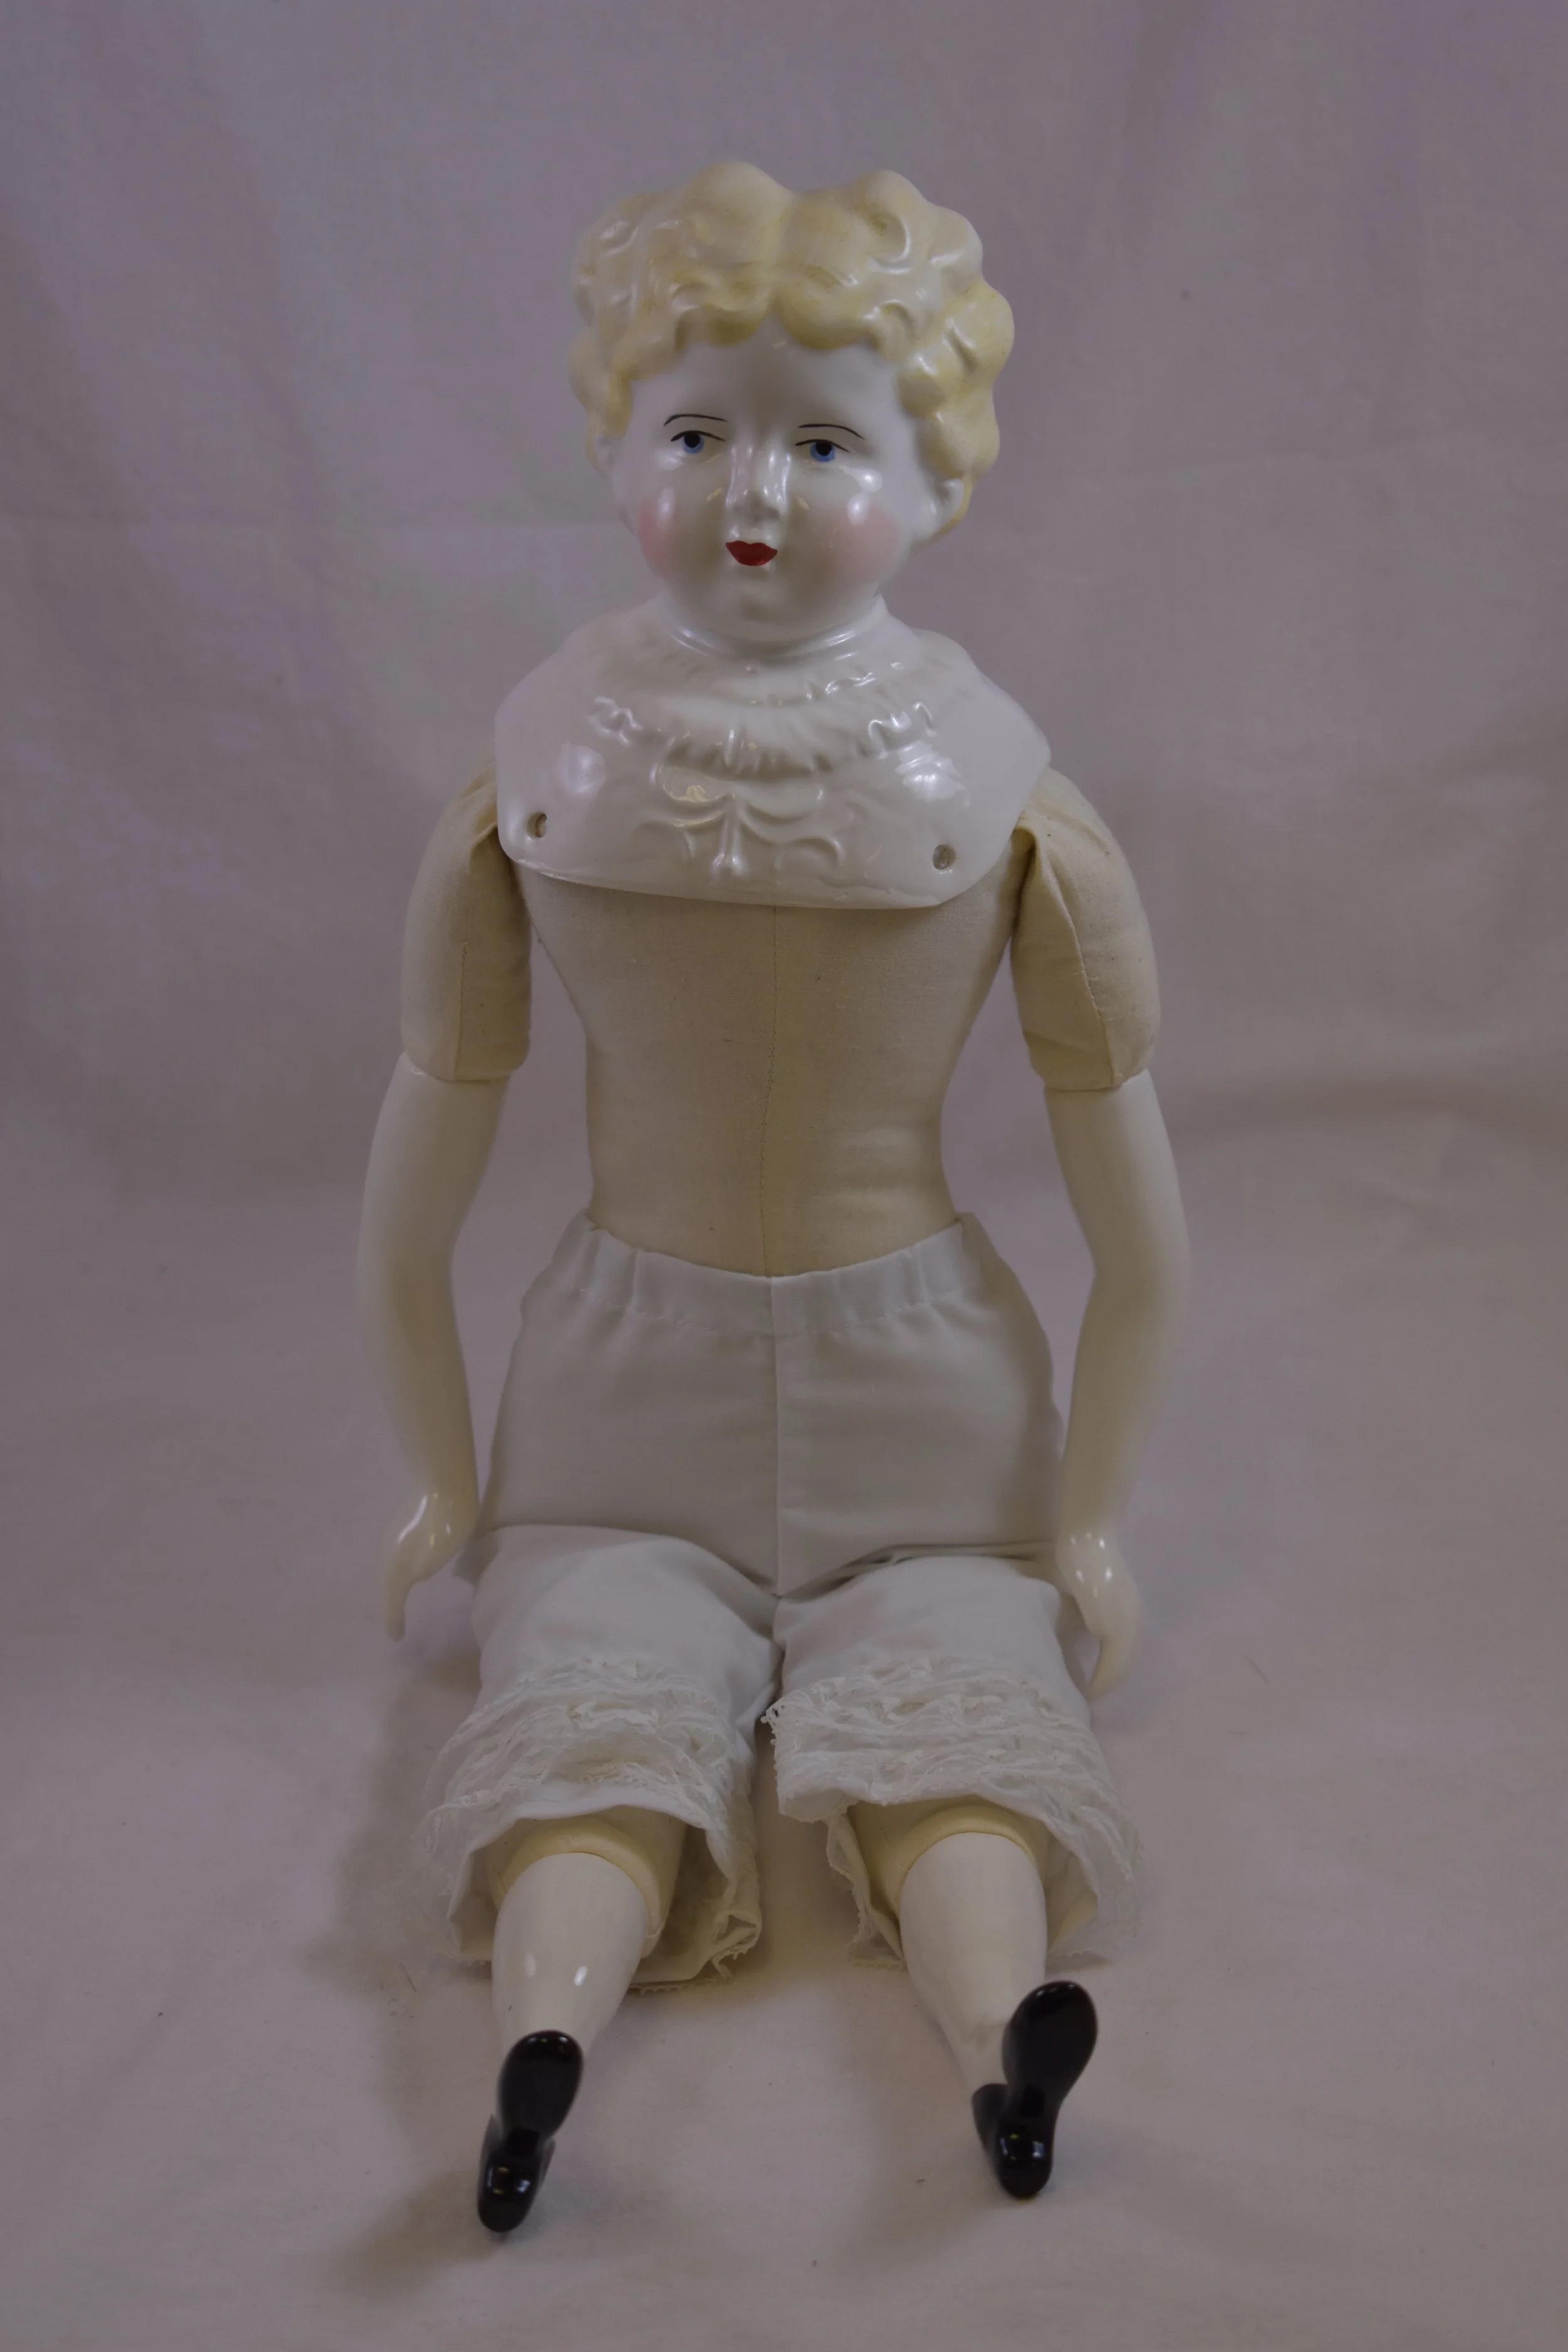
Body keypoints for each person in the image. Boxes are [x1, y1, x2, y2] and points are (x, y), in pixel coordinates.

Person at [357, 162, 1189, 2231]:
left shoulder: (972, 798)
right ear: (614, 451)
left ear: (935, 473)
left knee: (919, 1718)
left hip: (787, 1396)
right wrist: (451, 1478)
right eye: (697, 432)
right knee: (612, 1709)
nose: (754, 490)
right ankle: (556, 2047)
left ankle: (980, 2036)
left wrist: (1079, 1514)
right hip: (716, 1393)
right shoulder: (552, 784)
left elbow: (416, 1198)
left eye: (824, 442)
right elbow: (1134, 1237)